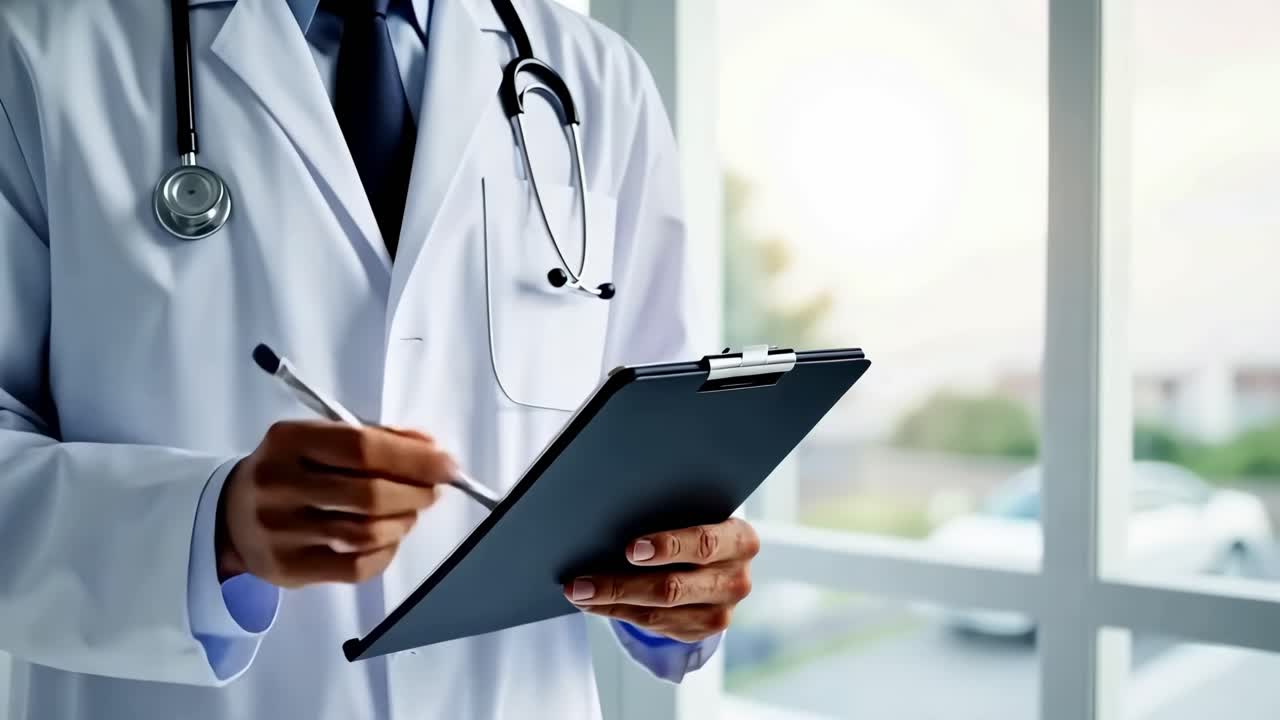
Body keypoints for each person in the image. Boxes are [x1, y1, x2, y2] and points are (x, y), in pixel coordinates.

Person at [0, 1, 759, 719]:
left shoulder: (595, 77)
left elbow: (660, 445)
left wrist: (678, 580)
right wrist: (213, 531)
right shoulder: (39, 50)